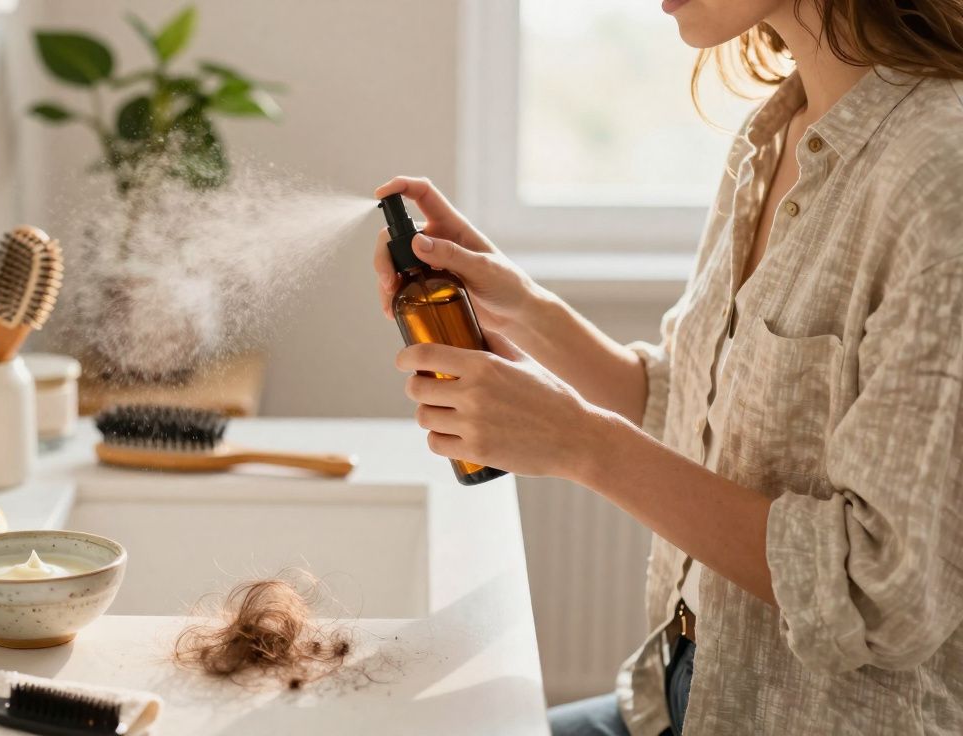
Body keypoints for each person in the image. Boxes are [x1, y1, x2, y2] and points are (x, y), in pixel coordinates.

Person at [373, 1, 963, 734]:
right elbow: (688, 403)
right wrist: (520, 306)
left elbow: (880, 589)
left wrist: (580, 446)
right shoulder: (773, 135)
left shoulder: (941, 181)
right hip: (671, 703)